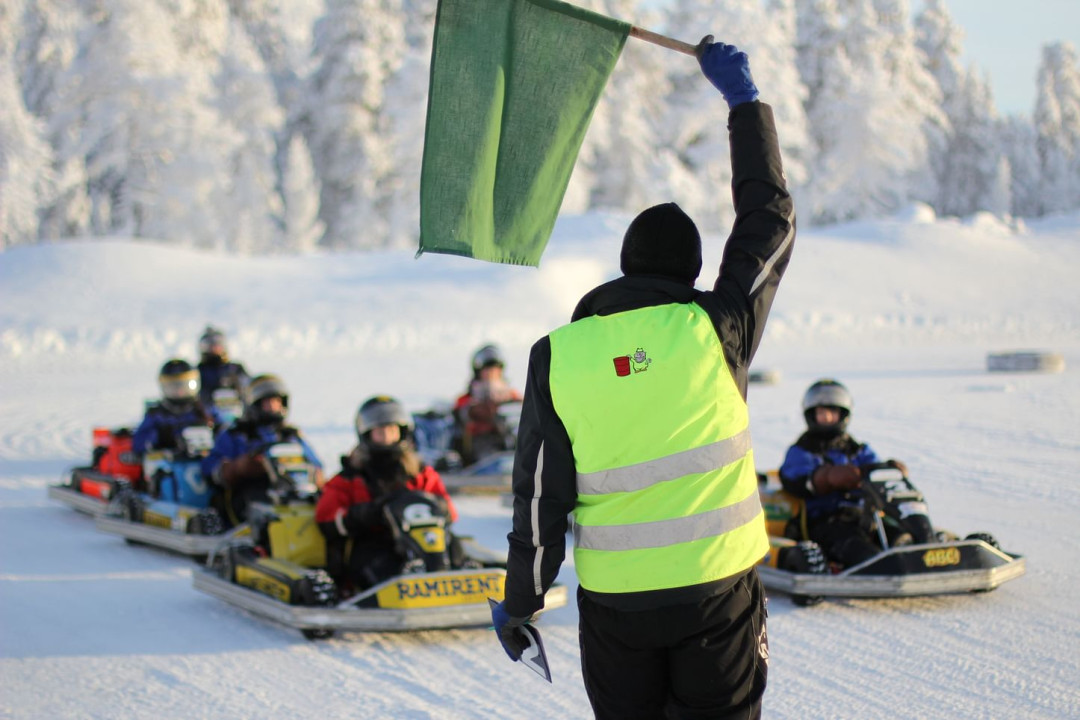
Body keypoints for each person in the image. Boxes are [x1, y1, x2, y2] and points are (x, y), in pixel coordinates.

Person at [491, 38, 794, 720]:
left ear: (625, 269)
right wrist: (746, 105)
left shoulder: (559, 355)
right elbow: (769, 222)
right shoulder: (716, 329)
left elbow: (538, 496)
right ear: (687, 275)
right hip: (718, 593)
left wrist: (521, 602)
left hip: (617, 608)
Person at [314, 396, 459, 591]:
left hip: (422, 537)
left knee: (454, 546)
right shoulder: (350, 477)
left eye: (392, 430)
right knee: (375, 560)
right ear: (366, 435)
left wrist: (436, 506)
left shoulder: (419, 473)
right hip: (375, 541)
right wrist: (367, 513)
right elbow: (326, 519)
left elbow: (448, 510)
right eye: (380, 432)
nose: (388, 437)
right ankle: (406, 586)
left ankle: (463, 576)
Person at [778, 379, 909, 568]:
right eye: (822, 413)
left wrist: (890, 469)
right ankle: (878, 566)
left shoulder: (857, 449)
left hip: (862, 516)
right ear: (812, 415)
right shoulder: (802, 450)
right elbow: (794, 477)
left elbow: (874, 468)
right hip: (824, 520)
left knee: (897, 531)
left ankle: (918, 549)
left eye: (833, 412)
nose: (828, 418)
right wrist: (827, 477)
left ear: (843, 415)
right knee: (855, 544)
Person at [203, 373, 323, 525]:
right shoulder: (237, 433)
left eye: (276, 402)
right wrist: (237, 468)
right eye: (267, 403)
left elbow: (316, 465)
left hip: (292, 490)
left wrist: (314, 474)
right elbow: (209, 466)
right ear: (254, 404)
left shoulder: (290, 435)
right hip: (253, 490)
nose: (273, 407)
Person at [131, 359, 222, 457]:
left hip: (202, 464)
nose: (180, 391)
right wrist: (161, 437)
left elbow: (224, 435)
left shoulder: (204, 410)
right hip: (167, 466)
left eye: (184, 386)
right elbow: (139, 443)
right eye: (174, 387)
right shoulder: (157, 415)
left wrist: (210, 430)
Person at [453, 344, 523, 465]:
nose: (491, 374)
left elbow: (527, 410)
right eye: (487, 369)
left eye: (495, 370)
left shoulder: (513, 396)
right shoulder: (467, 400)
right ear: (479, 372)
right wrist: (482, 409)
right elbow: (460, 414)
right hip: (482, 449)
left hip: (512, 446)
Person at [195, 325, 249, 414]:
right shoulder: (199, 371)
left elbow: (248, 385)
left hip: (236, 412)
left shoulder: (235, 368)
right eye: (210, 346)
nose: (215, 349)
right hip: (208, 413)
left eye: (217, 345)